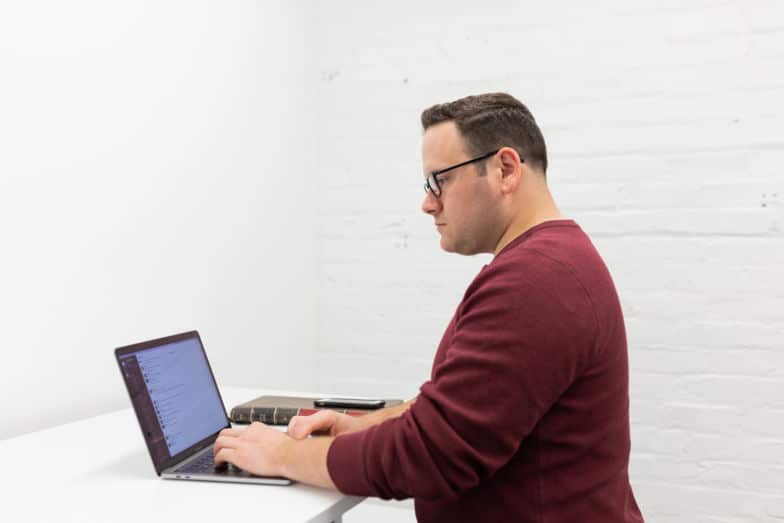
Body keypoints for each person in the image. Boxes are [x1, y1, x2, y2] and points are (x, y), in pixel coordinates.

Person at [213, 92, 644, 522]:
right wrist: (364, 425)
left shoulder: (536, 280)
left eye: (441, 180)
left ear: (505, 169)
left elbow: (430, 454)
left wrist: (282, 454)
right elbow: (455, 409)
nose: (427, 202)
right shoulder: (549, 263)